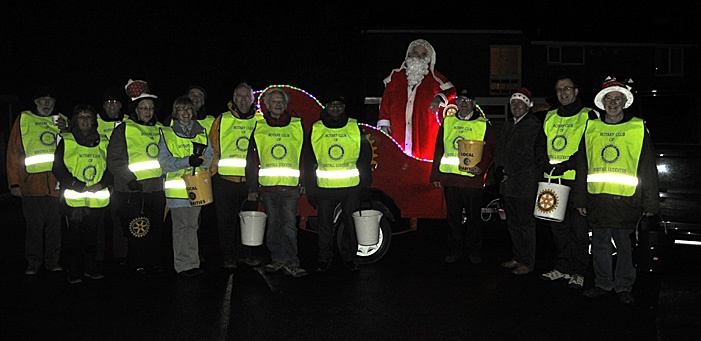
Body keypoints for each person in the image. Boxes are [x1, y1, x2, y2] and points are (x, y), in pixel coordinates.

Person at [575, 77, 659, 305]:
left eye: (617, 98)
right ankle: (603, 283)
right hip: (598, 200)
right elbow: (582, 165)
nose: (612, 103)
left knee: (624, 245)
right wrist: (580, 198)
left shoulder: (637, 128)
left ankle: (623, 286)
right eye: (608, 98)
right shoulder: (591, 128)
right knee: (600, 243)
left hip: (627, 201)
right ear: (602, 102)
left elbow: (647, 167)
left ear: (625, 102)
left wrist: (650, 203)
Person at [538, 76, 599, 289]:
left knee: (579, 231)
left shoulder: (589, 115)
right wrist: (543, 164)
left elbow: (588, 147)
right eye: (559, 90)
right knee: (558, 229)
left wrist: (568, 164)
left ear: (576, 91)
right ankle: (562, 267)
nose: (563, 93)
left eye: (567, 89)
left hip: (577, 182)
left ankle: (579, 271)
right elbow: (540, 144)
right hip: (553, 181)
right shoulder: (550, 116)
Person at [304, 92, 373, 272]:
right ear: (326, 107)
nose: (335, 108)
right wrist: (310, 188)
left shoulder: (353, 126)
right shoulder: (316, 128)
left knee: (349, 223)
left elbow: (365, 156)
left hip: (350, 186)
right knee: (324, 225)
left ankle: (349, 258)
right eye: (331, 104)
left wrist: (365, 184)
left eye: (339, 105)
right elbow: (309, 160)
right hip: (324, 187)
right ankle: (324, 258)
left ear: (344, 108)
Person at [246, 88, 308, 278]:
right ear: (266, 105)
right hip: (268, 187)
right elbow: (252, 160)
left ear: (286, 104)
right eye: (274, 101)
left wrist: (304, 181)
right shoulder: (259, 127)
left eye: (281, 101)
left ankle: (291, 262)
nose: (278, 104)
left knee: (289, 225)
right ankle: (277, 259)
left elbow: (304, 156)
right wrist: (252, 187)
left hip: (290, 187)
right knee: (273, 224)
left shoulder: (297, 125)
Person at [7, 85, 69, 275]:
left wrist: (67, 130)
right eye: (43, 99)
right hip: (30, 185)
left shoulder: (63, 120)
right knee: (33, 227)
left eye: (50, 99)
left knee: (54, 227)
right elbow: (13, 152)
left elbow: (74, 148)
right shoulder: (24, 119)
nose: (47, 103)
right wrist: (14, 182)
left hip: (56, 184)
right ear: (35, 102)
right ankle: (33, 262)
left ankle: (52, 261)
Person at [430, 89, 497, 265]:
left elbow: (490, 151)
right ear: (457, 103)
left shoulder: (484, 124)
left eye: (468, 100)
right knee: (453, 217)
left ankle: (473, 251)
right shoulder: (448, 121)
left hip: (472, 181)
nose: (464, 103)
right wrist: (435, 174)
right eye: (461, 100)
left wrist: (481, 168)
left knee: (474, 218)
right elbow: (439, 149)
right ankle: (454, 250)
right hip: (451, 179)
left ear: (474, 104)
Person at [107, 79, 166, 275]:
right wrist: (129, 179)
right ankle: (136, 262)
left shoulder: (161, 129)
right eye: (143, 107)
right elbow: (114, 159)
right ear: (136, 109)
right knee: (136, 229)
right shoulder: (123, 129)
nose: (148, 111)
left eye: (150, 107)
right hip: (132, 189)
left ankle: (153, 261)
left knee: (155, 228)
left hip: (156, 189)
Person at [52, 104, 112, 283]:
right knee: (73, 237)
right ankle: (73, 269)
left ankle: (90, 267)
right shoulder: (66, 140)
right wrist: (77, 185)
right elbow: (58, 168)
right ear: (75, 121)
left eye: (88, 117)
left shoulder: (103, 141)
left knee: (92, 236)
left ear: (94, 120)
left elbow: (111, 167)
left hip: (96, 197)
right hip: (74, 197)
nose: (85, 120)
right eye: (81, 117)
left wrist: (101, 184)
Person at [494, 87, 551, 275]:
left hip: (524, 184)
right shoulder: (509, 124)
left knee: (526, 225)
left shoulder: (533, 125)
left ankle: (527, 261)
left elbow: (528, 155)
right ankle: (517, 257)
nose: (516, 105)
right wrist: (499, 169)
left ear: (528, 105)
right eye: (513, 103)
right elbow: (500, 150)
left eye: (520, 103)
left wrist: (508, 171)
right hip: (508, 185)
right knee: (513, 223)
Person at [158, 96, 214, 277]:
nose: (185, 113)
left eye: (188, 109)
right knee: (181, 228)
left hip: (197, 188)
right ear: (176, 112)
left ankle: (193, 262)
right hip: (178, 189)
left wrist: (202, 163)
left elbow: (210, 155)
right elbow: (165, 163)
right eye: (181, 109)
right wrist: (187, 161)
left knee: (192, 226)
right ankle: (182, 265)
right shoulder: (167, 133)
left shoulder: (201, 131)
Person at [210, 82, 263, 269]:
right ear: (233, 99)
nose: (243, 100)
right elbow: (213, 148)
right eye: (239, 96)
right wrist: (212, 175)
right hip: (225, 181)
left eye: (246, 96)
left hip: (251, 182)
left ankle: (245, 255)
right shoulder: (222, 119)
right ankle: (229, 256)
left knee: (249, 222)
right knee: (226, 222)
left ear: (252, 99)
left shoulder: (260, 120)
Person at [377, 38, 456, 160]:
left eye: (423, 54)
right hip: (398, 127)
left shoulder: (435, 78)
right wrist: (384, 121)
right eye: (416, 53)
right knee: (397, 158)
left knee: (423, 161)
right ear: (409, 55)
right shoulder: (396, 76)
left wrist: (439, 98)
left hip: (424, 129)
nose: (419, 57)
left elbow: (451, 91)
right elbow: (386, 99)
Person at [96, 86, 129, 267]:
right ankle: (99, 254)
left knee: (120, 216)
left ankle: (120, 254)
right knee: (99, 216)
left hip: (121, 176)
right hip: (99, 175)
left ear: (121, 105)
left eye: (115, 102)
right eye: (108, 102)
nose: (111, 106)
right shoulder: (95, 121)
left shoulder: (128, 122)